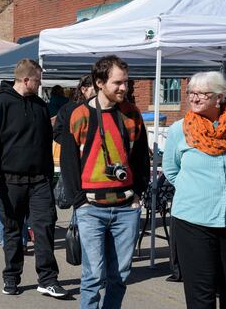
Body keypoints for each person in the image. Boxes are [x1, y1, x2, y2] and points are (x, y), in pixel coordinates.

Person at [60, 55, 150, 309]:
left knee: (120, 276)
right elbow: (68, 163)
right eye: (118, 83)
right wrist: (79, 201)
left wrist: (137, 194)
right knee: (92, 276)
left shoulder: (132, 114)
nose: (124, 88)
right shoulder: (80, 114)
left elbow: (142, 158)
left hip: (126, 208)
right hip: (91, 208)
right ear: (100, 82)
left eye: (126, 82)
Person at [162, 71, 226, 309]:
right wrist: (196, 192)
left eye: (202, 93)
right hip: (194, 221)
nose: (194, 98)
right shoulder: (179, 130)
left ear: (219, 97)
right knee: (201, 297)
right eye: (191, 92)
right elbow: (171, 171)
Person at [0, 59, 66, 298]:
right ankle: (11, 278)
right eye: (37, 80)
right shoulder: (1, 104)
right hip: (9, 180)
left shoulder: (39, 105)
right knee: (13, 230)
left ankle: (47, 279)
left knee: (45, 227)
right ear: (26, 80)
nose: (40, 84)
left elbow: (47, 141)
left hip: (39, 180)